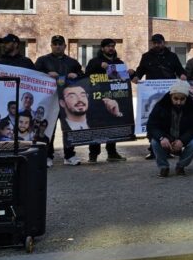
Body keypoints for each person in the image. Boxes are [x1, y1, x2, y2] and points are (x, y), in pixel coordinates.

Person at [131, 33, 187, 160]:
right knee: (154, 121)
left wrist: (183, 75)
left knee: (170, 121)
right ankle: (153, 148)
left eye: (159, 42)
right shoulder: (146, 56)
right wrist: (136, 77)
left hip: (170, 95)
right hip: (153, 95)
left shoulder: (172, 56)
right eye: (154, 43)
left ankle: (170, 148)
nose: (157, 45)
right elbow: (140, 70)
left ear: (164, 43)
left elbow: (179, 69)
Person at [35, 34, 85, 166]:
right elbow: (34, 76)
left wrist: (77, 75)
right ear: (51, 45)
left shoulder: (73, 62)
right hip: (49, 100)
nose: (57, 46)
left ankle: (69, 155)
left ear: (65, 46)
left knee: (69, 128)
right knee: (47, 128)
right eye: (55, 44)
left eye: (60, 44)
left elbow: (83, 77)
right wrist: (46, 75)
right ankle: (47, 156)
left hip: (67, 101)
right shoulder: (42, 60)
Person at [84, 38, 133, 162]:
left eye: (112, 46)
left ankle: (112, 153)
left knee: (113, 123)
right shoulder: (95, 61)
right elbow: (86, 75)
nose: (111, 48)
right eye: (108, 46)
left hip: (115, 98)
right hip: (98, 98)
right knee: (97, 125)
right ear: (102, 48)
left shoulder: (118, 62)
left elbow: (123, 78)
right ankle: (93, 154)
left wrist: (131, 73)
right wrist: (99, 65)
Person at [146, 80, 193, 177]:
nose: (178, 102)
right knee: (155, 142)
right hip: (166, 136)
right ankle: (163, 167)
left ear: (186, 98)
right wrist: (162, 137)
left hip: (184, 136)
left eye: (182, 99)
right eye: (175, 98)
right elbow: (151, 126)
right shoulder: (160, 106)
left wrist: (182, 140)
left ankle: (181, 166)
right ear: (170, 96)